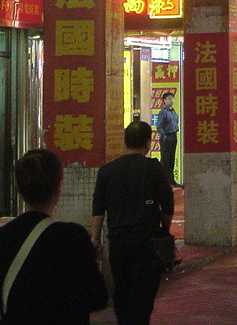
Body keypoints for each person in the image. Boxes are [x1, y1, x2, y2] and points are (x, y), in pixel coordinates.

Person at [0, 149, 108, 324]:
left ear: (18, 188)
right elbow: (97, 297)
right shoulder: (73, 237)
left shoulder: (1, 238)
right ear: (58, 187)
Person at [91, 121, 174, 325]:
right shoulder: (152, 168)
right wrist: (165, 229)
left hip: (118, 243)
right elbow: (167, 204)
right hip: (146, 243)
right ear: (147, 143)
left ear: (125, 142)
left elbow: (98, 209)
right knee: (142, 298)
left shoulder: (106, 171)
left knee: (122, 293)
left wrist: (95, 241)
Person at [156, 91, 180, 187]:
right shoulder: (163, 112)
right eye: (169, 98)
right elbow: (159, 126)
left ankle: (171, 180)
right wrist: (164, 136)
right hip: (166, 137)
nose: (171, 100)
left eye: (173, 98)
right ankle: (163, 181)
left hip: (173, 136)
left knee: (171, 159)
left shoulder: (173, 111)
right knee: (165, 159)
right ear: (164, 101)